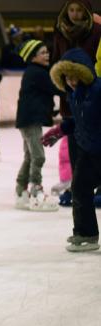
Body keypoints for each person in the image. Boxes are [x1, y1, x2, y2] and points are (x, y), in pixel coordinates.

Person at [42, 48, 101, 252]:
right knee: (80, 188)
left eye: (76, 77)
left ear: (85, 73)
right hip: (87, 150)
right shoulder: (74, 95)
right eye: (67, 78)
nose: (72, 81)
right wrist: (60, 130)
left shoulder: (98, 90)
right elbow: (79, 121)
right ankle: (86, 233)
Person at [13, 40, 61, 211]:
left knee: (30, 156)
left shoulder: (35, 72)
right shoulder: (37, 73)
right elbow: (56, 88)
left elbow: (42, 96)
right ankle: (35, 191)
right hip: (30, 121)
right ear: (33, 56)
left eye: (47, 51)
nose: (47, 55)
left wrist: (51, 111)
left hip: (28, 119)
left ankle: (20, 191)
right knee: (38, 156)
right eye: (42, 52)